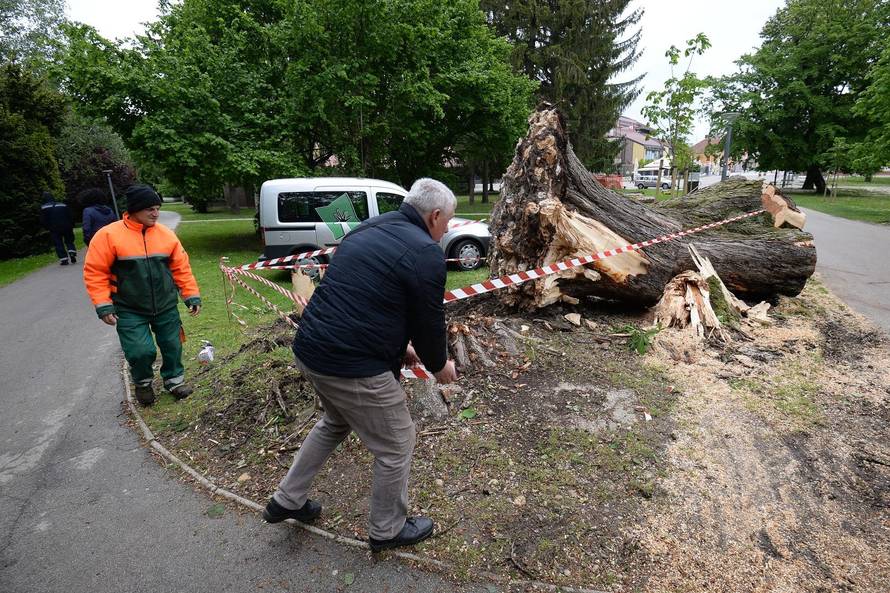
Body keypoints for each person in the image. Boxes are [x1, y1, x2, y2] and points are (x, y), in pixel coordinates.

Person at [263, 178, 458, 553]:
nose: (448, 228)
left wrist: (401, 346)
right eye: (447, 221)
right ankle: (387, 530)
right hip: (349, 362)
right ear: (434, 216)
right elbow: (428, 319)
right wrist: (439, 364)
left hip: (312, 347)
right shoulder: (425, 252)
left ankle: (287, 499)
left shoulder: (370, 227)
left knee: (336, 421)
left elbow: (368, 298)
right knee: (397, 442)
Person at [83, 184, 202, 406]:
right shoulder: (108, 236)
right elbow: (95, 272)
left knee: (172, 345)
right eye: (150, 209)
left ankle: (175, 382)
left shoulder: (166, 235)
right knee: (140, 351)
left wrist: (191, 295)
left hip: (165, 305)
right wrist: (103, 305)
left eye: (157, 208)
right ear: (134, 209)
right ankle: (143, 383)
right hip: (129, 307)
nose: (155, 213)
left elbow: (181, 268)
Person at [39, 191, 77, 265]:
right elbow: (70, 215)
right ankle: (71, 251)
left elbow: (43, 220)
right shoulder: (62, 205)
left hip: (54, 228)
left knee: (58, 243)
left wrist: (47, 227)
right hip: (67, 226)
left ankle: (64, 259)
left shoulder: (43, 207)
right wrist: (72, 224)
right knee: (69, 240)